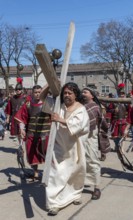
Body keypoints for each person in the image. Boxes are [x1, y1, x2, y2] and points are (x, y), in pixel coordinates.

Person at [44, 82, 90, 216]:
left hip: (74, 147)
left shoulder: (81, 109)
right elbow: (42, 98)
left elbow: (79, 125)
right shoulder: (59, 106)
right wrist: (50, 83)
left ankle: (74, 196)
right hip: (59, 145)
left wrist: (61, 119)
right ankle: (54, 204)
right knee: (56, 174)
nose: (67, 95)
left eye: (70, 93)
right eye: (65, 93)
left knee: (74, 173)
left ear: (76, 95)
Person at [14, 85, 51, 180]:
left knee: (49, 155)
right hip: (31, 134)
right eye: (36, 92)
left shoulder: (48, 103)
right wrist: (22, 129)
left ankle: (50, 174)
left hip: (45, 134)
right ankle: (35, 173)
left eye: (39, 92)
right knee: (32, 155)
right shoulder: (28, 104)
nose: (38, 94)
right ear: (32, 93)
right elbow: (22, 118)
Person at [82, 87, 110, 200]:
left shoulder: (95, 107)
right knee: (81, 163)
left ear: (92, 95)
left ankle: (96, 188)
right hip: (79, 137)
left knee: (93, 162)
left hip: (90, 137)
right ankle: (81, 184)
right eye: (82, 92)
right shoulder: (80, 106)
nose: (82, 94)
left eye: (85, 92)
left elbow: (101, 124)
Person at [5, 78, 26, 144]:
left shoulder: (25, 98)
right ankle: (20, 145)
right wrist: (8, 118)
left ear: (21, 90)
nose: (18, 91)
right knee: (17, 133)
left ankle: (21, 145)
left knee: (22, 132)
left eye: (19, 89)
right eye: (17, 89)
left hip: (23, 117)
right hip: (15, 117)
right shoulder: (12, 98)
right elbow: (9, 109)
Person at [111, 83, 131, 152]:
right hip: (115, 121)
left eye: (123, 94)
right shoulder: (114, 102)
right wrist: (114, 110)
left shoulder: (127, 103)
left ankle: (122, 148)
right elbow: (109, 110)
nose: (121, 95)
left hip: (123, 121)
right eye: (120, 94)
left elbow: (130, 113)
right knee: (114, 136)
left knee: (123, 136)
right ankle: (116, 146)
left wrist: (128, 122)